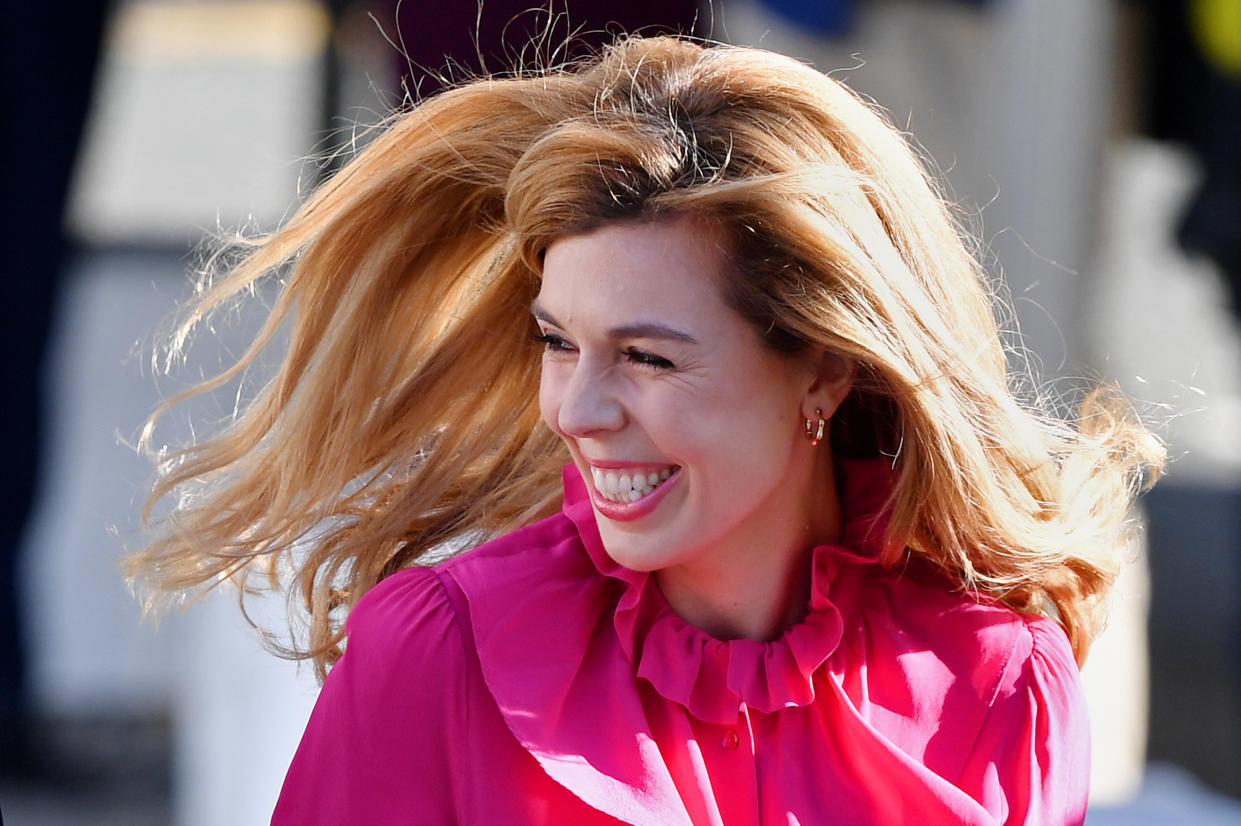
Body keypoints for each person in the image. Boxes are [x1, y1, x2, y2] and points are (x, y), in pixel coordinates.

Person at [127, 35, 1164, 824]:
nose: (575, 411)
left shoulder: (1003, 683)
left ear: (826, 367)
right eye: (558, 341)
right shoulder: (437, 651)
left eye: (648, 357)